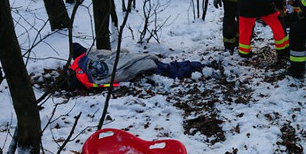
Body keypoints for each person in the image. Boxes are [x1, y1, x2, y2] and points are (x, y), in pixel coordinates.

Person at [69, 43, 205, 89]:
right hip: (136, 66)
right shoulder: (91, 61)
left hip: (134, 66)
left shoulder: (83, 67)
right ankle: (196, 67)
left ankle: (197, 67)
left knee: (167, 69)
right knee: (167, 69)